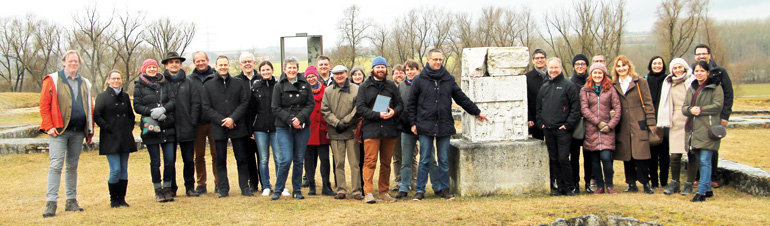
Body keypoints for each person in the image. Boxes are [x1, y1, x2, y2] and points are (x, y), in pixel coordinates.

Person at [408, 49, 487, 201]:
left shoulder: (448, 79)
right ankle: (420, 190)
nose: (438, 62)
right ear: (428, 60)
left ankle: (444, 189)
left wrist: (476, 112)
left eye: (440, 60)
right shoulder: (419, 80)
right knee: (424, 159)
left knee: (444, 159)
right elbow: (411, 103)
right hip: (425, 125)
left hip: (444, 125)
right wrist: (413, 123)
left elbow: (461, 98)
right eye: (435, 59)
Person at [40, 50, 94, 217]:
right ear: (63, 62)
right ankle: (51, 202)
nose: (73, 64)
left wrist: (89, 130)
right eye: (70, 61)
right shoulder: (53, 80)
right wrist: (49, 126)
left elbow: (89, 107)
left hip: (77, 131)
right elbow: (44, 104)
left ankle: (71, 200)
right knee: (56, 166)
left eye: (76, 61)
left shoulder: (85, 82)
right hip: (58, 131)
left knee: (72, 166)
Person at [201, 56, 252, 198]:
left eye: (225, 64)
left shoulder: (238, 83)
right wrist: (222, 120)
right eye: (220, 65)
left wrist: (233, 118)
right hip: (219, 127)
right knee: (220, 159)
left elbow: (244, 103)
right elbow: (206, 107)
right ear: (215, 66)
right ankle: (223, 188)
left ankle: (245, 187)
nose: (223, 67)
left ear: (229, 65)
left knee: (241, 158)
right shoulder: (208, 86)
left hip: (237, 126)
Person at [357, 56, 403, 203]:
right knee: (370, 161)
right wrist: (377, 115)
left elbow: (400, 105)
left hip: (389, 129)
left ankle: (384, 192)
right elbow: (360, 108)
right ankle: (368, 193)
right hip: (371, 129)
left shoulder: (391, 86)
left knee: (386, 163)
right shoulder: (364, 87)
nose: (380, 69)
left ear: (386, 69)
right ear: (373, 69)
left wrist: (393, 112)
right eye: (378, 67)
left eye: (383, 67)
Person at [611, 55, 656, 194]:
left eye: (624, 65)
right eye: (618, 66)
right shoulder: (614, 84)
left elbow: (648, 103)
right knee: (627, 155)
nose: (621, 68)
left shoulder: (639, 82)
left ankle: (645, 183)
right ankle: (631, 183)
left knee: (641, 155)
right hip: (623, 124)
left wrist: (651, 122)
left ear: (629, 66)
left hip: (638, 122)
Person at [134, 58, 177, 202]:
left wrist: (164, 109)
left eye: (154, 67)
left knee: (170, 160)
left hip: (167, 126)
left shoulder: (165, 83)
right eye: (149, 67)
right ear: (144, 69)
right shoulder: (139, 85)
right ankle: (158, 190)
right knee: (155, 161)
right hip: (151, 127)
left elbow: (173, 100)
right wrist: (151, 111)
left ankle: (167, 188)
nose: (152, 69)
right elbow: (137, 105)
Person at [271, 57, 314, 200]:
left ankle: (297, 190)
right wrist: (290, 120)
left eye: (294, 67)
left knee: (298, 159)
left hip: (302, 126)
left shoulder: (305, 84)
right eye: (289, 68)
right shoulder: (279, 86)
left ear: (297, 69)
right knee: (286, 159)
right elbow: (275, 108)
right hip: (284, 126)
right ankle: (278, 189)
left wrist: (300, 118)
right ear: (284, 69)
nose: (292, 70)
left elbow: (310, 104)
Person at [537, 57, 581, 196]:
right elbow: (538, 107)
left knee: (563, 159)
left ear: (561, 68)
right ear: (547, 69)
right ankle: (560, 187)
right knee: (554, 159)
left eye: (556, 67)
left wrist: (567, 125)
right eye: (551, 68)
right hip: (548, 130)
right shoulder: (544, 87)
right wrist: (541, 124)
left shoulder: (568, 85)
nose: (553, 70)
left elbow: (575, 108)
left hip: (563, 130)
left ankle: (569, 187)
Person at [396, 60, 439, 199]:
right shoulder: (400, 86)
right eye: (407, 70)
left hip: (424, 128)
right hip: (407, 128)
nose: (410, 72)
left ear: (418, 70)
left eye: (413, 69)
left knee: (430, 159)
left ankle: (437, 186)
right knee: (406, 160)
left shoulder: (425, 84)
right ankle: (404, 187)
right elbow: (397, 105)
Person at [94, 70, 137, 208]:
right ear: (108, 80)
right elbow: (97, 116)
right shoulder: (102, 96)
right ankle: (114, 199)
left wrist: (128, 127)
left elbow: (131, 115)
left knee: (124, 169)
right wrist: (108, 127)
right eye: (113, 78)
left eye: (118, 78)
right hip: (110, 137)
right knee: (115, 169)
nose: (116, 81)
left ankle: (122, 198)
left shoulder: (125, 96)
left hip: (124, 137)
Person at [692, 44, 733, 188]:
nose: (701, 56)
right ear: (695, 56)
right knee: (696, 147)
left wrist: (725, 116)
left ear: (709, 55)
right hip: (696, 117)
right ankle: (698, 177)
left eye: (704, 53)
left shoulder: (720, 72)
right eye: (698, 54)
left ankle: (712, 178)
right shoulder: (693, 71)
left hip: (714, 116)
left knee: (712, 146)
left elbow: (728, 94)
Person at [683, 60, 724, 202]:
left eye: (702, 71)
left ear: (707, 72)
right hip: (694, 129)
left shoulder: (715, 86)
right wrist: (690, 110)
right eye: (697, 71)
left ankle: (701, 193)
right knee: (701, 161)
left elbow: (718, 106)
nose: (699, 73)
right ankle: (708, 189)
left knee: (705, 160)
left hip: (708, 128)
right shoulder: (692, 87)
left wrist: (700, 110)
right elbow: (684, 107)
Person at [321, 65, 363, 200]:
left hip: (351, 131)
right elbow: (325, 110)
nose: (339, 76)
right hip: (336, 132)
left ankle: (356, 190)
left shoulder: (356, 89)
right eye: (336, 74)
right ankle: (341, 189)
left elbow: (358, 108)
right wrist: (336, 123)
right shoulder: (328, 91)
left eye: (342, 73)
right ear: (333, 75)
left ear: (346, 74)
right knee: (338, 163)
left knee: (354, 163)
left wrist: (346, 121)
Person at [162, 52, 201, 198]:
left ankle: (190, 187)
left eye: (177, 62)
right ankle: (171, 188)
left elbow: (196, 103)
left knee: (189, 160)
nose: (174, 64)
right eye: (171, 62)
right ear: (166, 65)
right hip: (168, 126)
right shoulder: (161, 82)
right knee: (169, 161)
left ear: (180, 64)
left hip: (187, 125)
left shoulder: (189, 82)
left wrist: (192, 121)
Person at [579, 63, 621, 194]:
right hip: (592, 129)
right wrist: (597, 122)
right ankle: (600, 185)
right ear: (591, 75)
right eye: (595, 73)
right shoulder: (585, 90)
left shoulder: (610, 89)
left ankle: (610, 184)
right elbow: (584, 109)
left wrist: (610, 125)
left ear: (604, 75)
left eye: (600, 73)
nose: (597, 75)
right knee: (595, 160)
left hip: (607, 130)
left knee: (606, 157)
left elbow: (617, 108)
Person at [657, 58, 697, 195]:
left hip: (691, 119)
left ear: (685, 68)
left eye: (680, 67)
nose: (678, 70)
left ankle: (689, 184)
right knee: (674, 155)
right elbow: (665, 102)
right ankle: (675, 182)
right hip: (675, 120)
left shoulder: (692, 81)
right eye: (675, 68)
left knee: (692, 153)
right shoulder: (668, 83)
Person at [251, 60, 286, 197]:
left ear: (272, 70)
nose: (266, 72)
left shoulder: (279, 86)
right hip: (260, 129)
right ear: (260, 72)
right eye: (263, 70)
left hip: (277, 128)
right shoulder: (256, 87)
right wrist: (251, 129)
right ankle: (265, 185)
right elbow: (251, 110)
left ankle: (280, 186)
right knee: (263, 159)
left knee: (279, 158)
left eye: (268, 69)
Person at [188, 51, 218, 194]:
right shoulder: (189, 79)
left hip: (214, 122)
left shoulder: (216, 76)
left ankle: (218, 182)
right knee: (198, 156)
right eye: (197, 61)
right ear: (194, 62)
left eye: (203, 60)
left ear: (207, 60)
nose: (200, 63)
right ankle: (201, 183)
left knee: (216, 154)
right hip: (197, 123)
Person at [303, 65, 335, 196]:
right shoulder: (303, 91)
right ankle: (311, 185)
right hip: (308, 131)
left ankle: (326, 185)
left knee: (325, 159)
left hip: (323, 130)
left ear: (317, 77)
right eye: (308, 77)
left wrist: (329, 128)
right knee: (309, 160)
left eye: (313, 76)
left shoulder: (327, 90)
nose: (311, 79)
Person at [234, 52, 262, 194]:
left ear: (254, 63)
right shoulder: (236, 81)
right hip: (244, 125)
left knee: (262, 156)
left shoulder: (262, 78)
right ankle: (253, 182)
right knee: (249, 156)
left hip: (261, 124)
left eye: (249, 61)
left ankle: (265, 182)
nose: (247, 64)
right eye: (244, 62)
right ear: (240, 65)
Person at [569, 53, 593, 194]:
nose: (580, 66)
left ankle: (588, 182)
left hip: (589, 123)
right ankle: (575, 183)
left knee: (589, 156)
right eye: (577, 64)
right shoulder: (569, 83)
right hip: (575, 123)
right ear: (573, 66)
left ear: (587, 66)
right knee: (574, 156)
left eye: (583, 64)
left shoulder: (592, 82)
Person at [646, 56, 670, 189]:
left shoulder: (668, 80)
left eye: (659, 63)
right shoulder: (646, 80)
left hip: (665, 120)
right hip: (651, 119)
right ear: (651, 65)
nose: (657, 65)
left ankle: (664, 181)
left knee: (665, 153)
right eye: (654, 63)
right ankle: (654, 181)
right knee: (652, 152)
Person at [390, 64, 406, 192]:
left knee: (411, 156)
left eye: (401, 72)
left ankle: (412, 180)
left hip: (408, 126)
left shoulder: (410, 87)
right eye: (396, 73)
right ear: (392, 75)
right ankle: (398, 181)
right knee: (397, 157)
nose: (399, 75)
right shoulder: (389, 88)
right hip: (394, 127)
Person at [349, 65, 366, 189]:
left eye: (359, 74)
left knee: (366, 157)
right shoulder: (349, 90)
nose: (357, 77)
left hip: (367, 126)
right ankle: (357, 183)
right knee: (356, 158)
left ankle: (365, 182)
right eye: (355, 74)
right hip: (353, 127)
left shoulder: (367, 88)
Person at [526, 49, 548, 140]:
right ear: (533, 60)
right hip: (535, 118)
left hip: (551, 117)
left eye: (542, 58)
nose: (540, 60)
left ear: (546, 59)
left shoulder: (552, 75)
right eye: (537, 58)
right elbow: (526, 98)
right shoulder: (527, 77)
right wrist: (529, 117)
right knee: (538, 144)